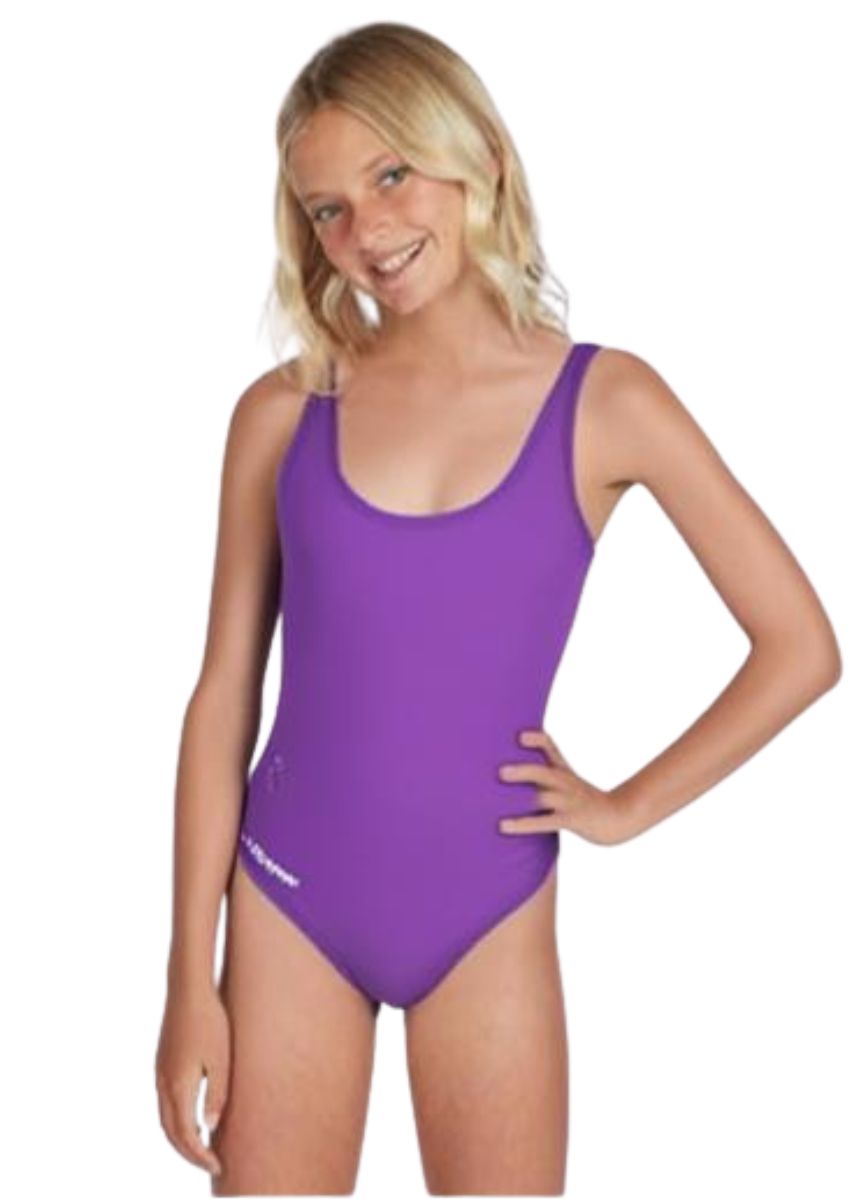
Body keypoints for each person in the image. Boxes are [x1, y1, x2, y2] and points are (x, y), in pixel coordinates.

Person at [154, 20, 842, 1196]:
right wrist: (186, 977)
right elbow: (223, 698)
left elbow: (800, 647)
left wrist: (623, 807)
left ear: (476, 154)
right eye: (326, 209)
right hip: (285, 897)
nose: (366, 232)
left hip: (486, 907)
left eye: (390, 176)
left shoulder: (606, 402)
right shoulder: (282, 413)